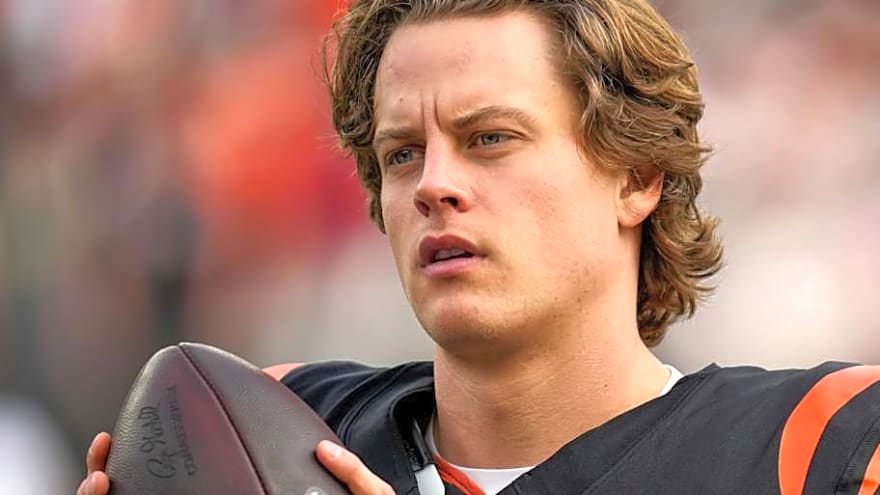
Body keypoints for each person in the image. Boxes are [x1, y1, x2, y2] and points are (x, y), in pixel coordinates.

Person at [77, 1, 880, 494]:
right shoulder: (279, 420)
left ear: (636, 176)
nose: (433, 183)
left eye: (489, 138)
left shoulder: (819, 448)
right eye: (400, 154)